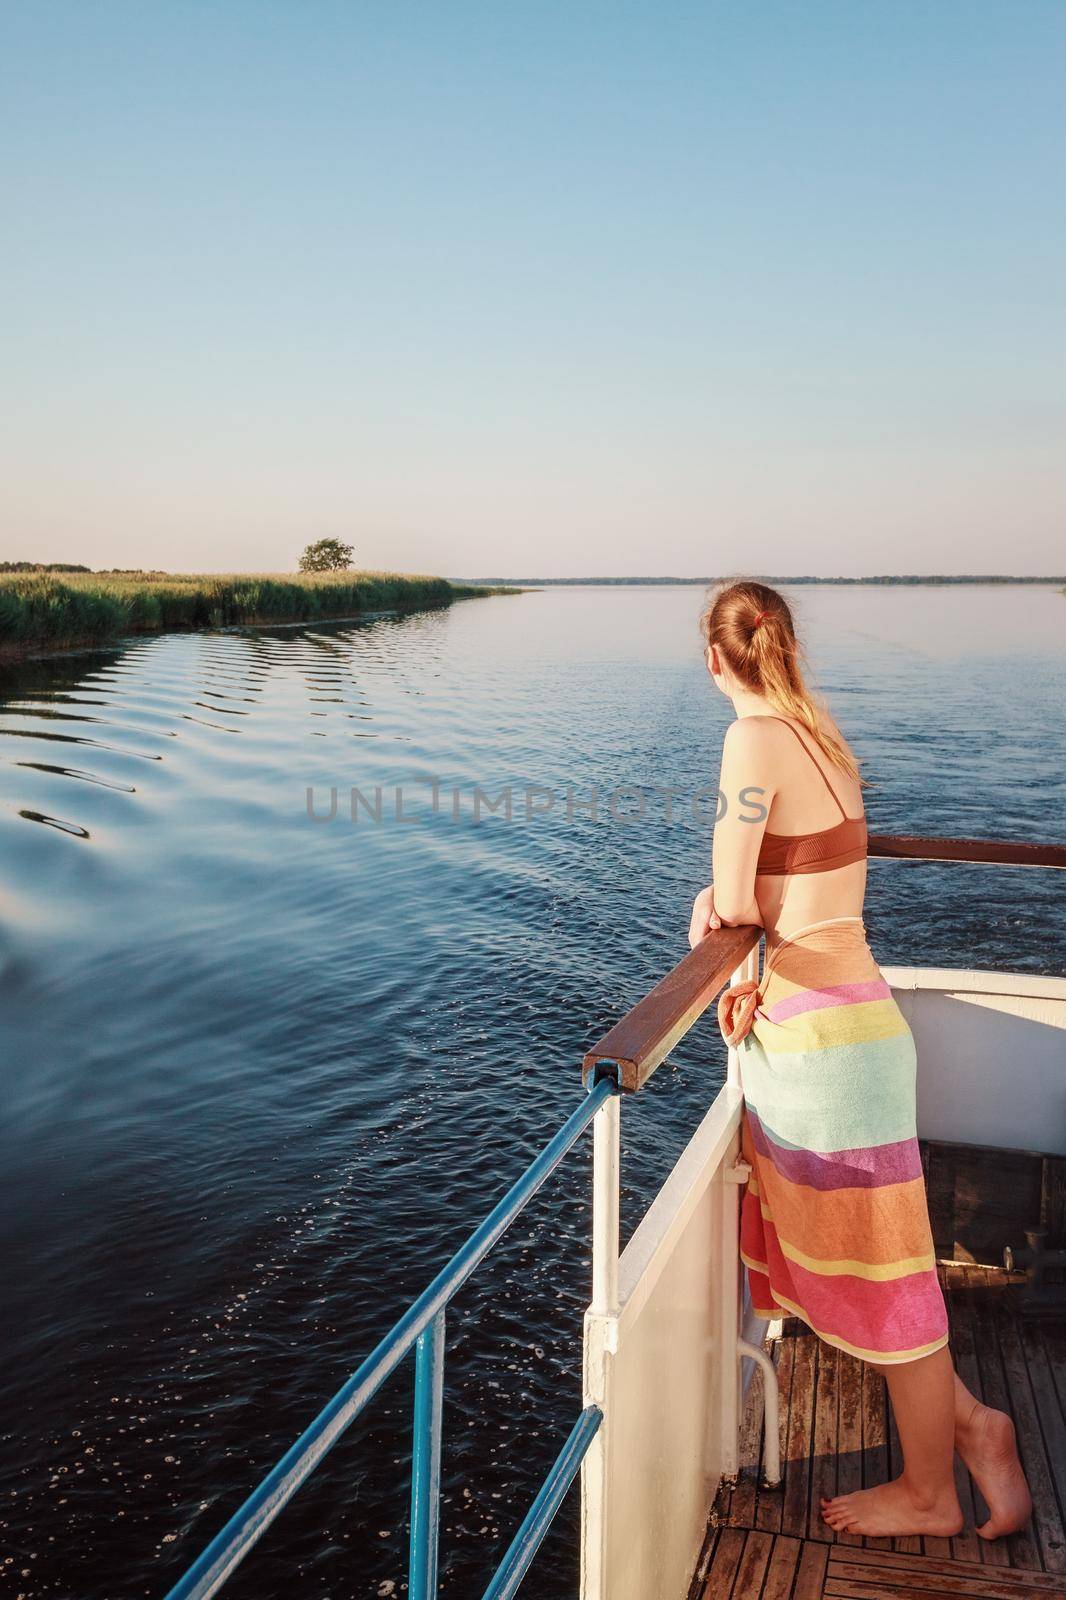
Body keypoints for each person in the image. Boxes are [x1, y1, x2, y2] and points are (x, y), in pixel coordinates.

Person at [688, 578, 1032, 1540]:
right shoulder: (820, 736)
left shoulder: (751, 738)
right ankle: (972, 1425)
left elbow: (738, 897)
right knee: (880, 1273)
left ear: (716, 660)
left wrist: (710, 912)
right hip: (860, 1021)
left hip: (822, 1045)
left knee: (885, 1284)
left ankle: (931, 1491)